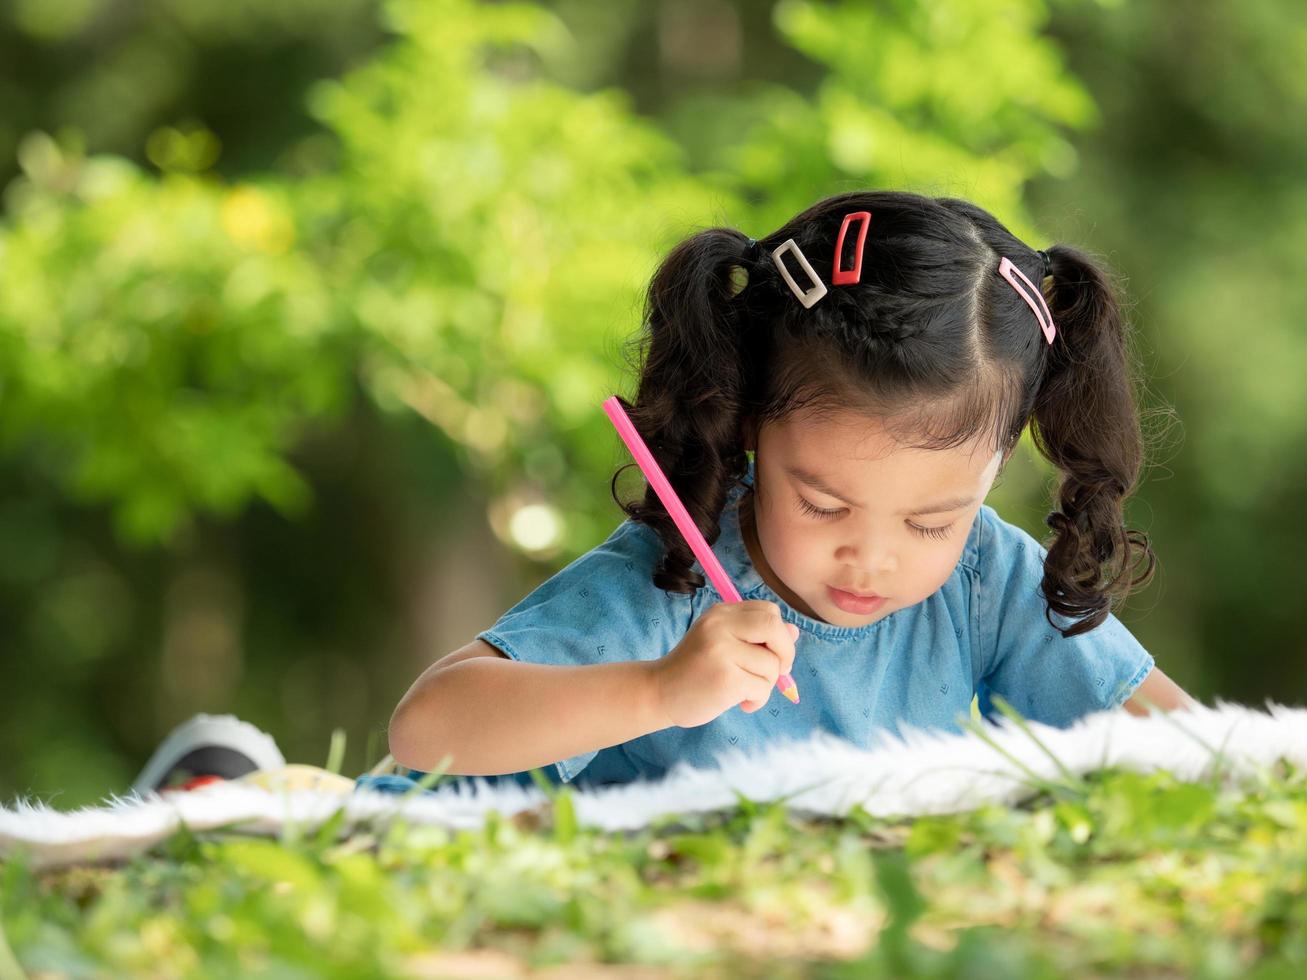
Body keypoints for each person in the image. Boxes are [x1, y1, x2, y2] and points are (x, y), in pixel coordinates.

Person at [133, 190, 1199, 801]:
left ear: (996, 464)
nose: (872, 558)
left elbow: (1205, 753)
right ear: (746, 427)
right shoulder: (677, 579)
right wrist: (656, 690)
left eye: (930, 516)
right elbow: (425, 726)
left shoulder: (984, 580)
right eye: (822, 503)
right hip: (436, 841)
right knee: (266, 846)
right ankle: (225, 781)